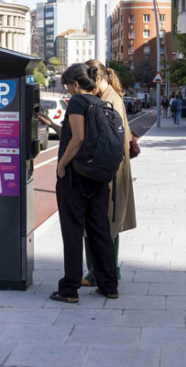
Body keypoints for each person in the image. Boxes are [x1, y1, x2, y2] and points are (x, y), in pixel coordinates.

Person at [48, 63, 119, 304]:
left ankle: (69, 289)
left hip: (76, 178)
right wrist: (53, 127)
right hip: (98, 177)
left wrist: (61, 165)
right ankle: (109, 285)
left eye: (67, 86)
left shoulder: (78, 102)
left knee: (72, 231)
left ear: (76, 84)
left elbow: (77, 139)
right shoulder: (101, 103)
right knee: (100, 231)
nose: (67, 90)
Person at [82, 59, 136, 287]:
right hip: (112, 170)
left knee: (103, 223)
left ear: (97, 79)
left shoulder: (109, 100)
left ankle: (101, 272)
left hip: (108, 172)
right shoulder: (110, 97)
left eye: (87, 82)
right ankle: (104, 271)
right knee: (106, 223)